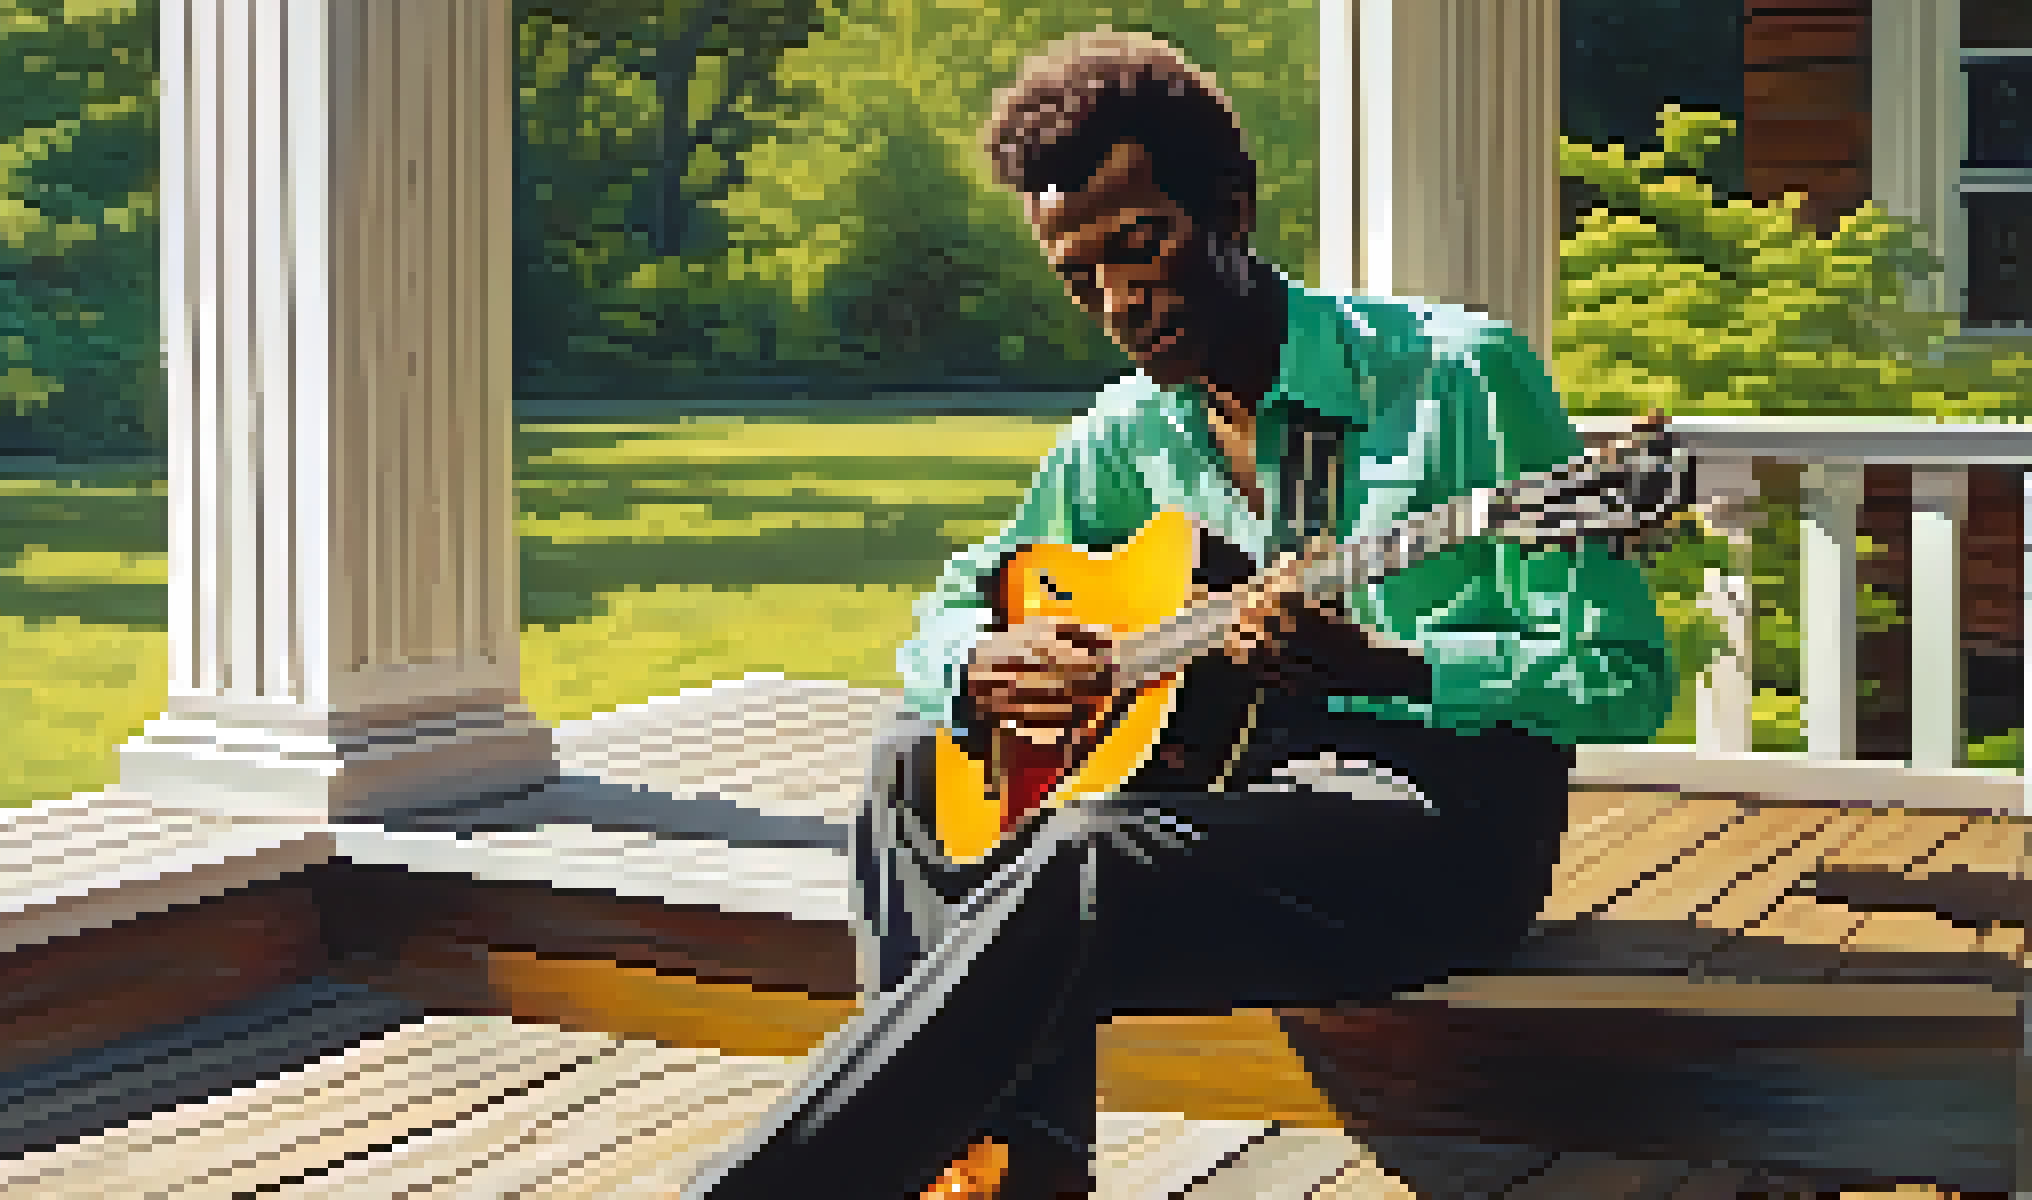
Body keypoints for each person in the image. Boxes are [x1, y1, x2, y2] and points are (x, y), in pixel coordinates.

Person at [681, 28, 1674, 1200]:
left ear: (1232, 210)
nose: (1119, 299)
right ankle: (1018, 1165)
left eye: (1142, 245)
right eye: (1080, 275)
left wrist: (1394, 667)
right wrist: (980, 658)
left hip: (1437, 829)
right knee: (913, 761)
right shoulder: (1128, 435)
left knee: (1086, 854)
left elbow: (1623, 674)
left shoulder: (1457, 376)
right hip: (1230, 804)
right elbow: (958, 600)